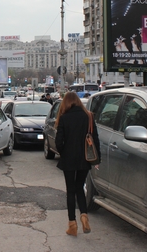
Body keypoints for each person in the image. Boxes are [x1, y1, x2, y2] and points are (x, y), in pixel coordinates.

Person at [55, 91, 101, 236]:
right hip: (84, 159)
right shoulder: (88, 116)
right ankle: (84, 216)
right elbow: (95, 139)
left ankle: (72, 225)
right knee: (79, 188)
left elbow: (58, 142)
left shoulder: (64, 118)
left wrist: (63, 152)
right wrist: (97, 160)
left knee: (70, 191)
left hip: (68, 159)